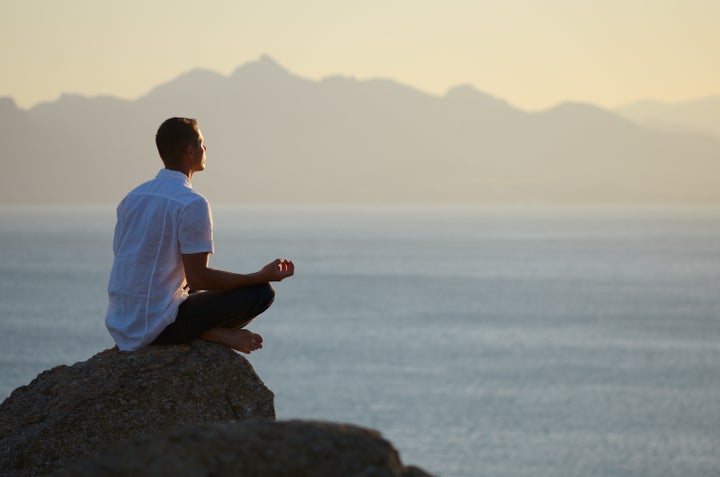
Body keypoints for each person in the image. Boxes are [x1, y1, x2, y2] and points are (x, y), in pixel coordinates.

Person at [105, 117, 294, 353]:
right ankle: (211, 333)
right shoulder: (191, 203)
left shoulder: (132, 198)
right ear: (190, 151)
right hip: (154, 326)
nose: (206, 149)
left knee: (191, 290)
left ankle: (205, 330)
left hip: (122, 322)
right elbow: (199, 278)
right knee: (261, 292)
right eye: (202, 143)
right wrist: (259, 275)